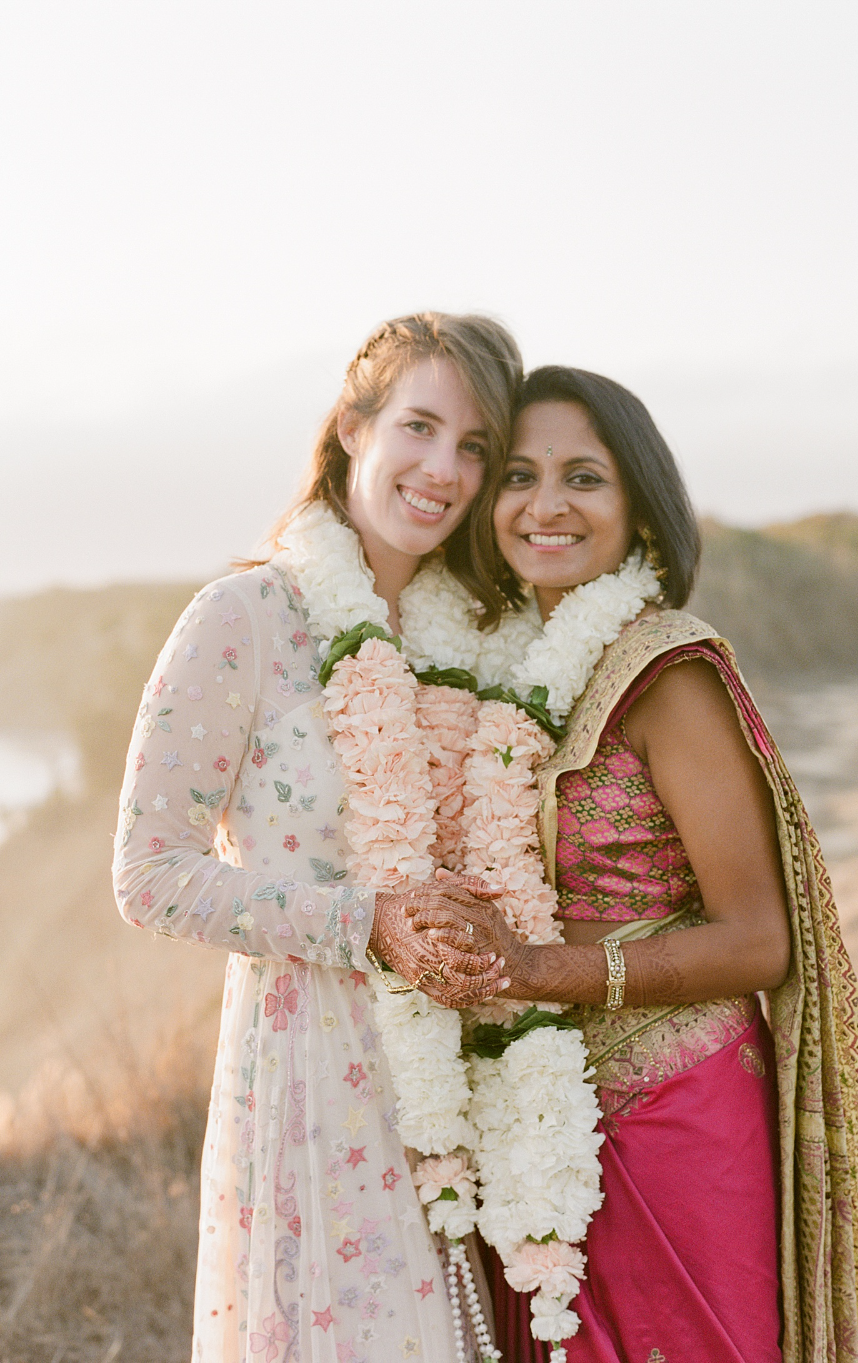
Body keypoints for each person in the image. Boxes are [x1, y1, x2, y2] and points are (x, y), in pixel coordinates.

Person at [415, 367, 858, 1362]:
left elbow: (759, 938)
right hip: (535, 1117)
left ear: (639, 509)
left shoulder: (666, 674)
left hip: (676, 1114)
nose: (545, 503)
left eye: (584, 478)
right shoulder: (502, 677)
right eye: (518, 474)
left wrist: (547, 972)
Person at [112, 313, 520, 1363]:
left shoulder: (471, 640)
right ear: (352, 426)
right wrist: (361, 921)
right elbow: (148, 873)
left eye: (474, 447)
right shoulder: (246, 615)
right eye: (420, 426)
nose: (443, 469)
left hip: (465, 1068)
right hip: (309, 1067)